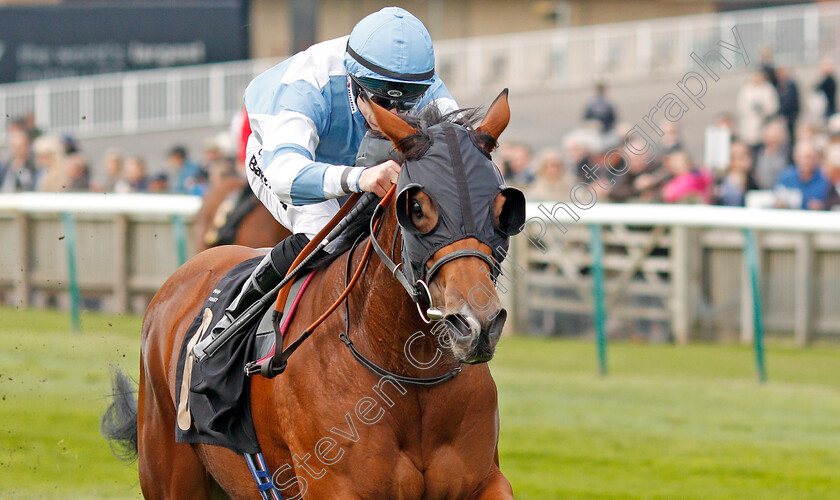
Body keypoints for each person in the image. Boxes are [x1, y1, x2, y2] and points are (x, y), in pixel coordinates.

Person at [226, 7, 458, 324]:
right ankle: (232, 321)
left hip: (363, 163)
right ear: (355, 83)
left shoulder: (426, 86)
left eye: (406, 104)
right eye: (382, 102)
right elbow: (285, 175)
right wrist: (359, 178)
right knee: (325, 233)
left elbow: (461, 158)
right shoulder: (309, 83)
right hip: (280, 157)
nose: (394, 115)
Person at [773, 141, 830, 210]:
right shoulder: (786, 176)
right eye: (802, 157)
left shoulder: (824, 179)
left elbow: (831, 204)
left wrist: (822, 206)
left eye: (809, 157)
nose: (806, 161)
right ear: (795, 157)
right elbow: (776, 198)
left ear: (816, 158)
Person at [736, 71, 779, 150]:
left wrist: (762, 108)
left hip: (763, 123)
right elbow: (741, 105)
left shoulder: (768, 88)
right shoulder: (746, 89)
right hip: (748, 124)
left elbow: (773, 106)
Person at [715, 141, 758, 207]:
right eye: (735, 156)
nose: (738, 160)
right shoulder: (721, 179)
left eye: (741, 156)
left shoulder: (751, 181)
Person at [776, 68, 800, 146]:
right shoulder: (782, 84)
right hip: (787, 114)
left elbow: (790, 100)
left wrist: (782, 112)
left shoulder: (790, 84)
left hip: (791, 114)